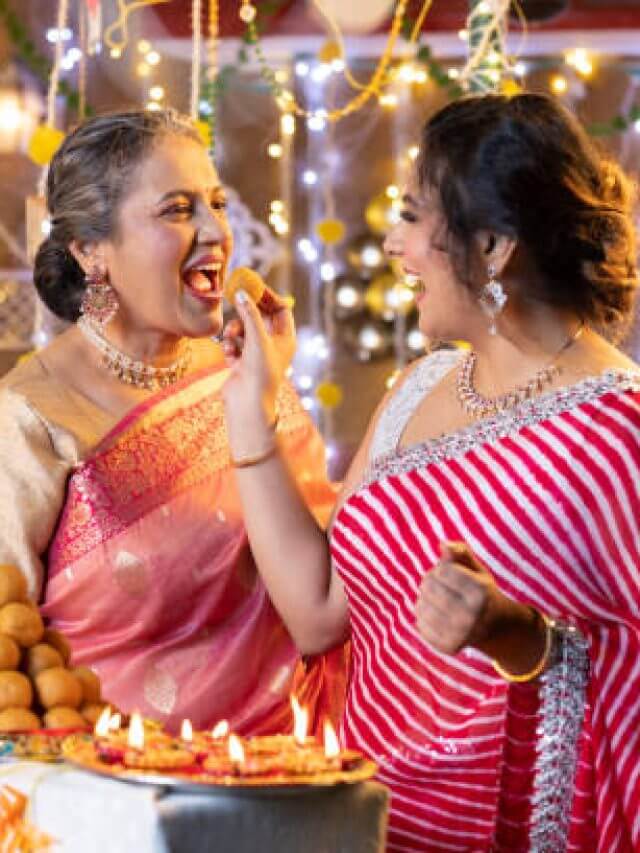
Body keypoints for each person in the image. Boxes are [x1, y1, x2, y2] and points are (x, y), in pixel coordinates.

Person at [221, 93, 640, 851]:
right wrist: (252, 401)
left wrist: (515, 633)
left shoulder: (619, 433)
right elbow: (318, 610)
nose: (392, 244)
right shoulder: (418, 387)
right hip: (369, 824)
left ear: (492, 244)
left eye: (413, 218)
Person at [0, 109, 345, 735]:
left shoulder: (246, 374)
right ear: (91, 252)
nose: (216, 230)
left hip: (286, 780)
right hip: (114, 800)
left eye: (215, 203)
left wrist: (261, 404)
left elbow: (327, 593)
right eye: (178, 210)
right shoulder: (32, 414)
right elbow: (9, 660)